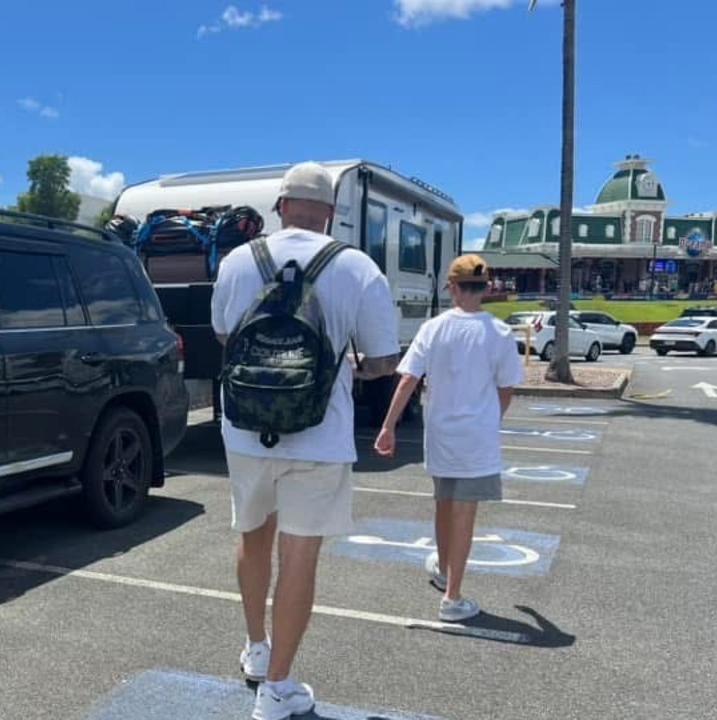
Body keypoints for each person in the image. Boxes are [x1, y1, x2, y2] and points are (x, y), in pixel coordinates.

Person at [210, 161, 400, 720]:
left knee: (251, 534)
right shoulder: (357, 266)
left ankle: (255, 648)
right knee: (299, 556)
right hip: (319, 432)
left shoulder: (239, 260)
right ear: (331, 213)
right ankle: (278, 687)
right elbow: (384, 359)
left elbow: (225, 334)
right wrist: (345, 370)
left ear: (280, 205)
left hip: (244, 428)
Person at [372, 254, 523, 622]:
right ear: (486, 288)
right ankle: (453, 598)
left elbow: (408, 378)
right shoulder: (500, 333)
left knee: (443, 503)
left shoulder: (433, 328)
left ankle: (443, 571)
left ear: (452, 288)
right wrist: (491, 419)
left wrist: (388, 425)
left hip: (440, 432)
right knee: (465, 513)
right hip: (477, 438)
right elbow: (506, 388)